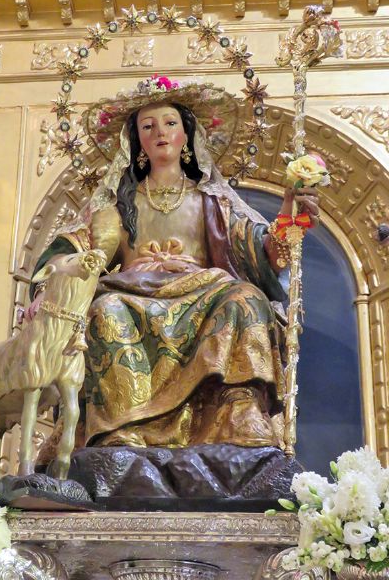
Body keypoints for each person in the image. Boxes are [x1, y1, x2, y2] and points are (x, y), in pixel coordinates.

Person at [26, 76, 319, 452]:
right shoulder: (118, 206)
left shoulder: (211, 201)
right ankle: (121, 428)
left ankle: (237, 413)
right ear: (137, 144)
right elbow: (73, 253)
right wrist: (51, 286)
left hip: (202, 294)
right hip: (132, 296)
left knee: (246, 299)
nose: (160, 132)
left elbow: (263, 256)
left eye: (169, 123)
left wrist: (289, 215)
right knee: (103, 310)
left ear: (186, 136)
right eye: (147, 127)